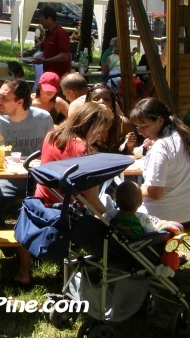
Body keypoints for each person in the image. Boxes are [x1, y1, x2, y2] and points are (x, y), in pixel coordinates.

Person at [14, 102, 114, 284]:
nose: (101, 135)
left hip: (41, 202)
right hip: (67, 211)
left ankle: (23, 272)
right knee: (106, 220)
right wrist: (109, 215)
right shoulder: (84, 150)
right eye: (100, 130)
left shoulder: (52, 135)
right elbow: (90, 198)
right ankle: (79, 267)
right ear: (91, 126)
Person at [0, 79, 53, 256]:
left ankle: (42, 248)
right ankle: (12, 248)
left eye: (4, 98)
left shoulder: (42, 118)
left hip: (37, 178)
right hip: (7, 179)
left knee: (53, 205)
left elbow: (51, 153)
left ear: (19, 102)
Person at [129, 98, 190, 228]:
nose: (139, 131)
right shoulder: (186, 137)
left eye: (144, 126)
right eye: (137, 126)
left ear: (160, 121)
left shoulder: (161, 147)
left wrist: (130, 190)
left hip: (164, 219)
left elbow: (154, 192)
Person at [86, 82, 136, 154]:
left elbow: (132, 153)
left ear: (112, 103)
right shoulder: (85, 124)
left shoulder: (124, 123)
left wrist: (130, 145)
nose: (102, 102)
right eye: (96, 99)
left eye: (106, 99)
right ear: (89, 103)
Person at [31, 6, 71, 77]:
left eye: (42, 20)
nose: (40, 22)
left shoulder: (61, 33)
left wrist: (45, 61)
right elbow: (48, 52)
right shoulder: (47, 32)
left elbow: (65, 56)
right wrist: (38, 58)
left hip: (60, 76)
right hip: (48, 74)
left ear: (49, 19)